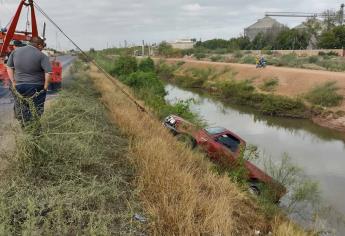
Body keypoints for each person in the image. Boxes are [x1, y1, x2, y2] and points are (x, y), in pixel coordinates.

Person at [6, 36, 52, 125]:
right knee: (36, 110)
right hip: (36, 86)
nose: (42, 48)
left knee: (21, 108)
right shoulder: (42, 55)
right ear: (39, 45)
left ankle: (25, 127)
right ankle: (34, 129)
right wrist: (45, 86)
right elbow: (48, 72)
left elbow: (9, 67)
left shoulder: (15, 52)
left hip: (19, 86)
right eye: (43, 46)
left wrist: (13, 82)